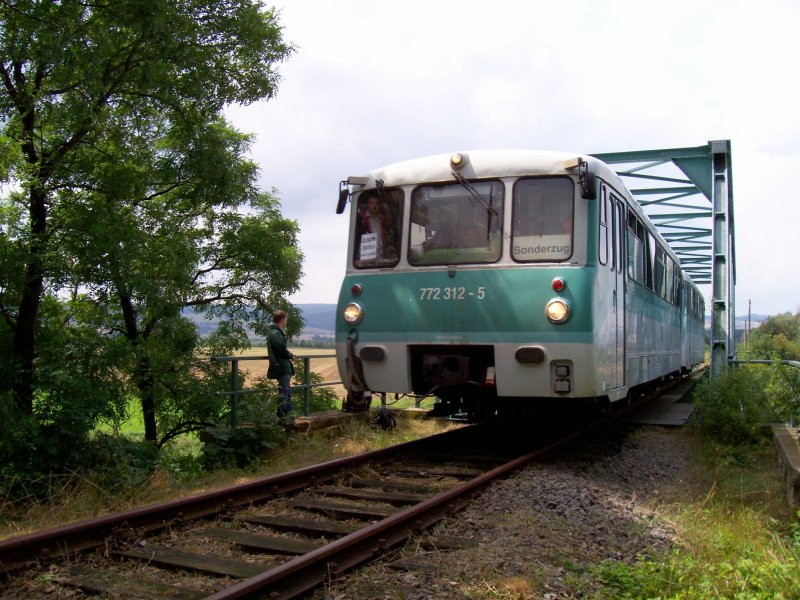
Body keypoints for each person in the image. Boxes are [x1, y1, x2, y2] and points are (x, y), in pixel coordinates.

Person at [267, 310, 294, 423]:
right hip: (281, 366)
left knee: (286, 391)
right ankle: (282, 416)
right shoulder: (275, 333)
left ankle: (287, 415)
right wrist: (290, 355)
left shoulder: (275, 332)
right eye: (286, 319)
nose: (287, 321)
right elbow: (280, 350)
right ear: (282, 320)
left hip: (281, 366)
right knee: (284, 391)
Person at [355, 194, 398, 264]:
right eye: (371, 203)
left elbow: (393, 240)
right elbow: (355, 240)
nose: (374, 206)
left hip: (384, 260)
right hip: (366, 262)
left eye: (376, 203)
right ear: (367, 205)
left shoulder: (386, 221)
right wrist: (356, 258)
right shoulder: (360, 221)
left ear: (380, 205)